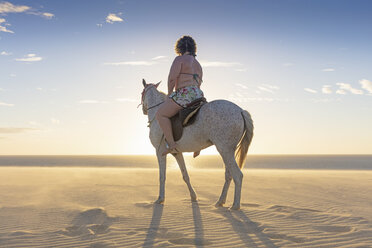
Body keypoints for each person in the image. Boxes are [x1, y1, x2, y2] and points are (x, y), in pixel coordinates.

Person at [156, 35, 204, 156]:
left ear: (179, 48)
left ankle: (172, 144)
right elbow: (199, 83)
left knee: (161, 114)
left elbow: (172, 78)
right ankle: (198, 145)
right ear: (194, 48)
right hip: (198, 94)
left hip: (184, 93)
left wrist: (169, 93)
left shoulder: (179, 59)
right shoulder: (198, 64)